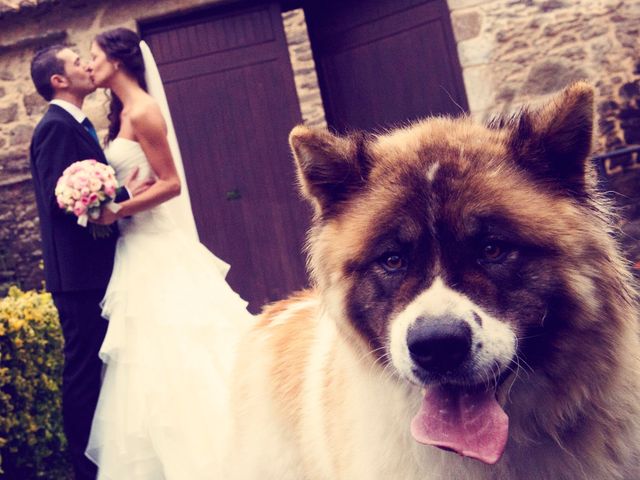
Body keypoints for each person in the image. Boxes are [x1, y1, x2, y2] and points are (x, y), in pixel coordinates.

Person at [84, 28, 253, 479]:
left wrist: (116, 207)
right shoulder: (120, 113)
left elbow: (170, 183)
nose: (89, 64)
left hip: (155, 246)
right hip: (133, 247)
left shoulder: (144, 111)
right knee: (144, 361)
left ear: (117, 61)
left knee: (178, 346)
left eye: (94, 56)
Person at [28, 45, 151, 480]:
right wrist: (122, 197)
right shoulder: (55, 128)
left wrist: (119, 193)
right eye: (76, 62)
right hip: (79, 275)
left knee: (101, 367)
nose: (86, 65)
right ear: (58, 81)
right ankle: (83, 467)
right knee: (83, 370)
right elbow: (60, 199)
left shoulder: (77, 125)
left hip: (96, 268)